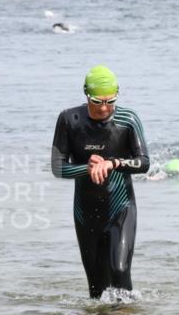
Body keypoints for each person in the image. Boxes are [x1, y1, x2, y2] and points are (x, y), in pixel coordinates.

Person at [51, 66, 149, 299]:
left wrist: (112, 163)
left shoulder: (128, 119)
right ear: (86, 94)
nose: (104, 107)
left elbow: (144, 162)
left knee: (120, 270)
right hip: (86, 213)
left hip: (121, 209)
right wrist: (87, 168)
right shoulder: (69, 119)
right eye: (97, 101)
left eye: (110, 101)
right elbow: (57, 167)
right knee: (97, 288)